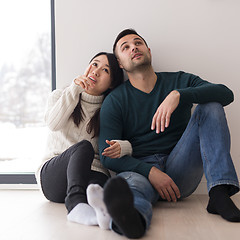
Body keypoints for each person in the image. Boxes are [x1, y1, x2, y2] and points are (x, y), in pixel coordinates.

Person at [97, 29, 240, 238]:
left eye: (138, 43)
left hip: (180, 169)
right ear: (120, 63)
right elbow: (105, 154)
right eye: (125, 47)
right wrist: (150, 172)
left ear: (149, 51)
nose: (133, 48)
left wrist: (178, 95)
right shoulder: (115, 100)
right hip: (141, 171)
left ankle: (219, 192)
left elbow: (226, 94)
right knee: (133, 188)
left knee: (210, 106)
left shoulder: (179, 81)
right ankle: (133, 219)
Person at [35, 52, 132, 229]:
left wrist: (123, 147)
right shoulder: (60, 95)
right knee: (84, 147)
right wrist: (74, 89)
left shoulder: (110, 110)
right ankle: (75, 205)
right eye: (94, 64)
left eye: (105, 70)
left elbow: (130, 143)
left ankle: (105, 215)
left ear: (112, 83)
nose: (96, 72)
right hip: (53, 177)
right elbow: (53, 124)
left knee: (101, 186)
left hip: (91, 175)